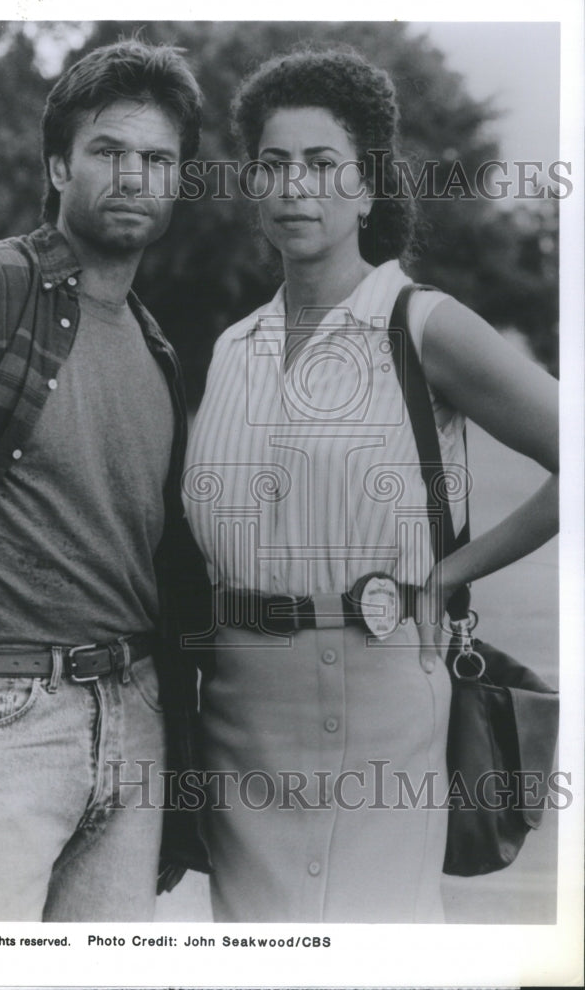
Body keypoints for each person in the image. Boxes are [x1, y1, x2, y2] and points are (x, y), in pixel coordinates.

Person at [183, 46, 558, 923]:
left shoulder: (420, 323)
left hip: (379, 681)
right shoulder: (233, 346)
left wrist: (447, 581)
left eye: (321, 164)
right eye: (273, 165)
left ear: (368, 186)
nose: (294, 188)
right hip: (238, 702)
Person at [0, 38, 209, 922]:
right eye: (108, 151)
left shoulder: (157, 344)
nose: (134, 176)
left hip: (133, 724)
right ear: (58, 164)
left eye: (158, 159)